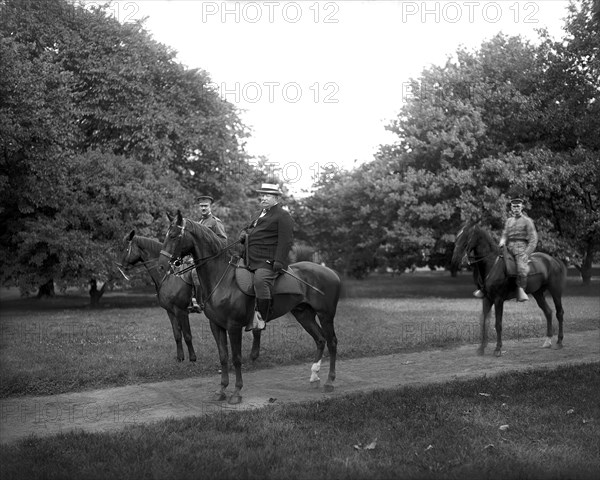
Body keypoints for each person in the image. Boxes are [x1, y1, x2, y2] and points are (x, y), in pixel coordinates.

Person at [239, 182, 294, 330]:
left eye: (267, 195)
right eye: (262, 195)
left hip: (268, 261)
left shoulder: (283, 215)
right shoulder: (257, 214)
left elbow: (286, 241)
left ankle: (261, 318)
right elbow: (248, 228)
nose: (263, 198)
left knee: (260, 280)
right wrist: (244, 233)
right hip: (250, 258)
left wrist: (279, 261)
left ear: (276, 198)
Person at [474, 198, 538, 301]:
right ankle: (484, 288)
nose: (516, 208)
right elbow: (505, 234)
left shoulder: (527, 221)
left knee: (521, 268)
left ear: (522, 207)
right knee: (494, 263)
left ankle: (521, 290)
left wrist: (527, 253)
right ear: (511, 208)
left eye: (518, 206)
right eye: (514, 206)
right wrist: (502, 242)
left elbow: (533, 239)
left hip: (521, 247)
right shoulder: (509, 221)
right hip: (508, 247)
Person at [188, 195, 227, 313]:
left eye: (205, 206)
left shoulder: (215, 222)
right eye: (201, 206)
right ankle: (190, 301)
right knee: (183, 270)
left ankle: (200, 303)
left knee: (195, 273)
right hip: (200, 260)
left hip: (212, 260)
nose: (203, 208)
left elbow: (223, 242)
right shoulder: (199, 222)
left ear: (210, 207)